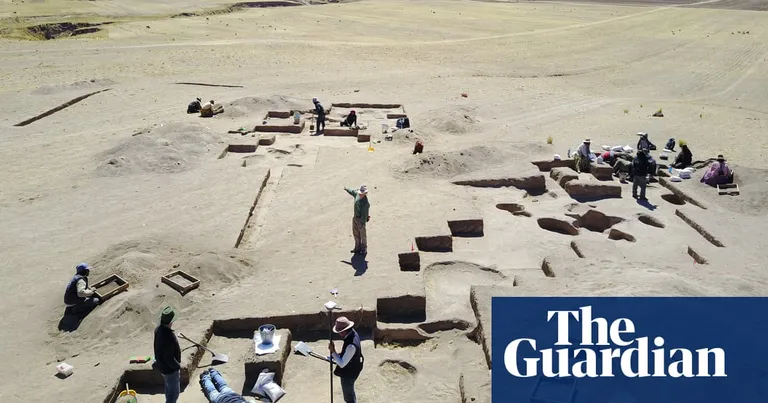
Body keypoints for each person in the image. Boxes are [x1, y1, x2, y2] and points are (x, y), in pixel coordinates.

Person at [328, 316, 364, 403]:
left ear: (344, 331)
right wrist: (336, 355)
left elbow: (342, 364)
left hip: (349, 373)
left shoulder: (351, 345)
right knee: (350, 392)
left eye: (340, 332)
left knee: (349, 397)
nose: (339, 334)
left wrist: (333, 352)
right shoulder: (353, 333)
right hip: (354, 366)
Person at [153, 306, 181, 403]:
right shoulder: (168, 336)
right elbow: (168, 357)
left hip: (162, 367)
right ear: (171, 322)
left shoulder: (158, 329)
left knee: (169, 390)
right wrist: (177, 366)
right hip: (170, 370)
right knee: (174, 394)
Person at [344, 185, 370, 255]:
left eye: (362, 193)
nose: (361, 194)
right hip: (355, 217)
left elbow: (365, 212)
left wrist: (363, 222)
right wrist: (346, 188)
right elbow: (352, 191)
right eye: (360, 193)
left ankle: (364, 249)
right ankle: (357, 248)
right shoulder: (357, 194)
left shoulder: (365, 202)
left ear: (365, 194)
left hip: (361, 219)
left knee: (363, 235)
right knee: (355, 233)